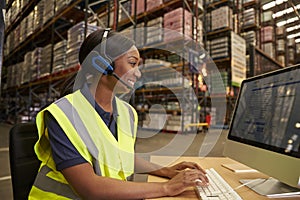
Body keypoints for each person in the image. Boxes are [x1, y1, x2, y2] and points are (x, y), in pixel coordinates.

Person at [29, 28, 208, 199]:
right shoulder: (63, 115)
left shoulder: (127, 112)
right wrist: (167, 188)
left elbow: (121, 157)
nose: (137, 74)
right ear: (102, 64)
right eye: (132, 63)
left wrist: (166, 171)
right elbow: (90, 188)